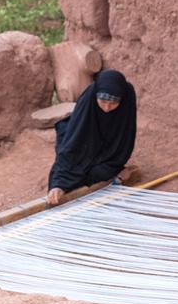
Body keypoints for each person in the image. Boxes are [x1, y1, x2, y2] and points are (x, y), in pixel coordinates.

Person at [46, 68, 137, 206]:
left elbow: (126, 137)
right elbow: (71, 147)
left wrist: (116, 165)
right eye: (103, 101)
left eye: (113, 103)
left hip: (109, 146)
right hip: (85, 140)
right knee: (74, 167)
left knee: (102, 171)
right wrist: (58, 184)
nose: (106, 108)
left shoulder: (128, 96)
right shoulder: (88, 101)